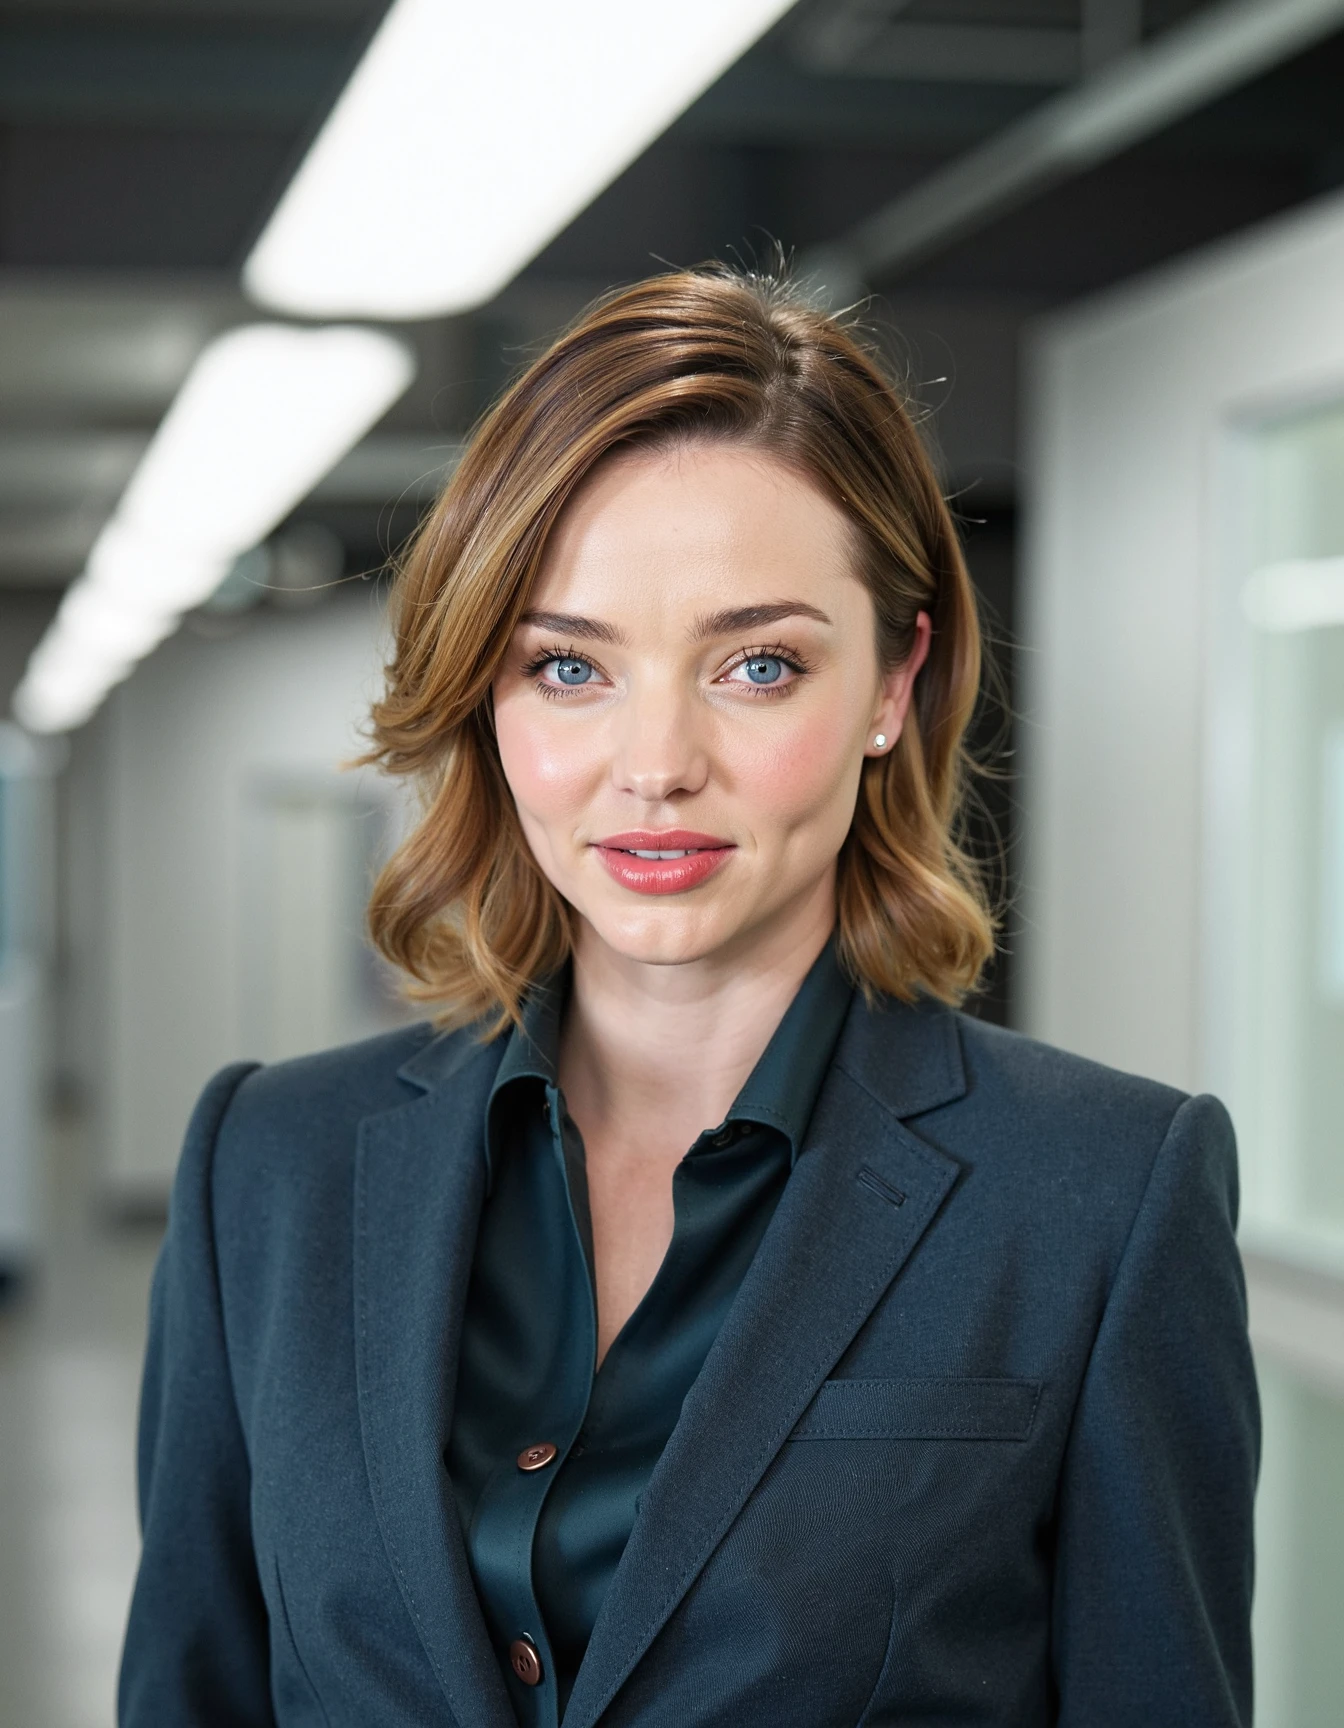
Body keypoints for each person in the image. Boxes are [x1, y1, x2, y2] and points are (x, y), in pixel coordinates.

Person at [118, 268, 1258, 1728]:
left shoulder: (1101, 1197)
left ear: (896, 683)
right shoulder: (267, 1167)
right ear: (489, 697)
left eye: (758, 664)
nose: (655, 761)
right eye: (570, 666)